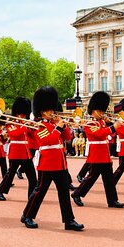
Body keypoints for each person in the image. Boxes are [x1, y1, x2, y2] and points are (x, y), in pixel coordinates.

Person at [21, 86, 83, 231]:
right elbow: (47, 141)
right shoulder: (38, 126)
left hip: (60, 164)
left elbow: (67, 137)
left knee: (63, 193)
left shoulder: (55, 124)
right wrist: (58, 128)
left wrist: (63, 126)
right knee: (39, 192)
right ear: (42, 111)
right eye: (49, 110)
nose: (52, 112)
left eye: (52, 109)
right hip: (47, 163)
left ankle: (69, 220)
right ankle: (27, 215)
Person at [71, 91, 124, 208]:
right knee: (91, 178)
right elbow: (100, 134)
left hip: (104, 155)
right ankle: (77, 193)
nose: (102, 113)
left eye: (102, 110)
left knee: (109, 180)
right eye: (100, 111)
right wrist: (112, 126)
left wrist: (110, 123)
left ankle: (112, 200)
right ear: (93, 110)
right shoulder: (89, 123)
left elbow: (109, 131)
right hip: (96, 155)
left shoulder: (101, 122)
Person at [0, 97, 37, 201]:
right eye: (22, 114)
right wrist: (24, 125)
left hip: (26, 153)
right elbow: (15, 134)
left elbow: (32, 136)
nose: (24, 115)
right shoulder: (11, 123)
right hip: (16, 152)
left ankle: (31, 196)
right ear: (17, 113)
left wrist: (32, 128)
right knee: (10, 174)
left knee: (32, 177)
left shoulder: (24, 122)